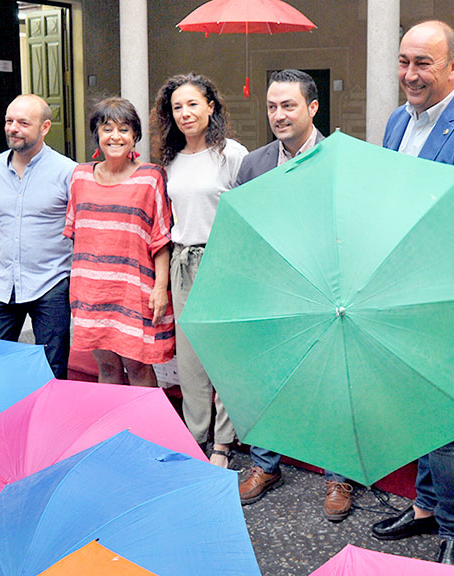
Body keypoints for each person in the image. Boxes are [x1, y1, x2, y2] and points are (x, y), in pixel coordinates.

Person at [369, 20, 454, 567]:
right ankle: (425, 508)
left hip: (445, 295)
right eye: (404, 62)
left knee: (443, 421)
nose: (409, 74)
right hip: (397, 290)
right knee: (413, 411)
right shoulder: (397, 122)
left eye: (422, 63)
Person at [233, 69, 356, 523]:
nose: (279, 115)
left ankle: (338, 475)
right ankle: (265, 464)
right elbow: (244, 228)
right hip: (273, 289)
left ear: (313, 108)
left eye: (288, 106)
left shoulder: (340, 158)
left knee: (332, 385)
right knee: (271, 379)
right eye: (272, 106)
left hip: (328, 289)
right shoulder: (254, 164)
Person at [151, 74, 247, 469]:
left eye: (193, 104)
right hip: (181, 260)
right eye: (177, 107)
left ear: (211, 106)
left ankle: (223, 443)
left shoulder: (233, 155)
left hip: (221, 261)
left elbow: (246, 214)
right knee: (190, 359)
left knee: (222, 355)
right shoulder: (170, 160)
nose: (185, 113)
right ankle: (195, 437)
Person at [63, 97, 175, 387]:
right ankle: (113, 429)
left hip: (134, 290)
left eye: (124, 129)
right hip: (91, 290)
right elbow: (79, 236)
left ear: (135, 137)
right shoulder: (79, 177)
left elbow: (160, 239)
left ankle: (143, 429)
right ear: (97, 136)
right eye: (107, 128)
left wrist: (160, 288)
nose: (115, 136)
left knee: (138, 367)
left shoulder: (151, 177)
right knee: (107, 367)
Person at [0, 94, 77, 379]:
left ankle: (47, 421)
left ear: (44, 128)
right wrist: (8, 242)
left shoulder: (67, 171)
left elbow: (79, 227)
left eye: (22, 122)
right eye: (9, 121)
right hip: (2, 283)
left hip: (50, 283)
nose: (12, 128)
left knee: (51, 369)